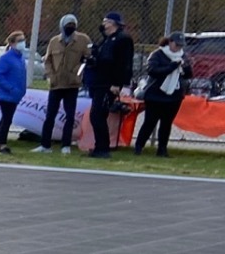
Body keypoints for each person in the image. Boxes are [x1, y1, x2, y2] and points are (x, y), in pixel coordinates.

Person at [35, 14, 91, 154]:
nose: (70, 28)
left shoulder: (83, 40)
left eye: (73, 25)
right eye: (68, 25)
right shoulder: (54, 41)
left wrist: (78, 73)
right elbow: (47, 60)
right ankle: (45, 145)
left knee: (70, 115)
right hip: (56, 84)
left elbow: (88, 59)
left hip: (72, 84)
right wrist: (50, 76)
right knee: (50, 115)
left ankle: (65, 145)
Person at [133, 32, 192, 157]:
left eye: (181, 46)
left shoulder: (183, 56)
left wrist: (186, 68)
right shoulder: (157, 54)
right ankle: (139, 146)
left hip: (174, 95)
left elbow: (188, 75)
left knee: (166, 123)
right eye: (177, 44)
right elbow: (153, 71)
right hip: (155, 94)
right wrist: (171, 67)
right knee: (150, 122)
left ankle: (162, 149)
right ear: (170, 42)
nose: (179, 48)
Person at [84, 12, 134, 159]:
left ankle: (103, 148)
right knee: (97, 114)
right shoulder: (106, 40)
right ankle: (99, 146)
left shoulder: (122, 39)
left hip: (109, 83)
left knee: (98, 114)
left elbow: (123, 63)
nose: (103, 24)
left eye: (106, 21)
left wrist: (117, 83)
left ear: (113, 23)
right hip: (100, 81)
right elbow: (103, 58)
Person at [0, 31, 29, 154]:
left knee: (6, 119)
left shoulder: (21, 58)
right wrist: (11, 88)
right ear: (12, 43)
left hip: (15, 95)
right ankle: (1, 144)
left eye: (23, 40)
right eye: (19, 41)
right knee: (7, 119)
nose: (23, 43)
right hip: (6, 95)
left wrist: (21, 90)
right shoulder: (6, 58)